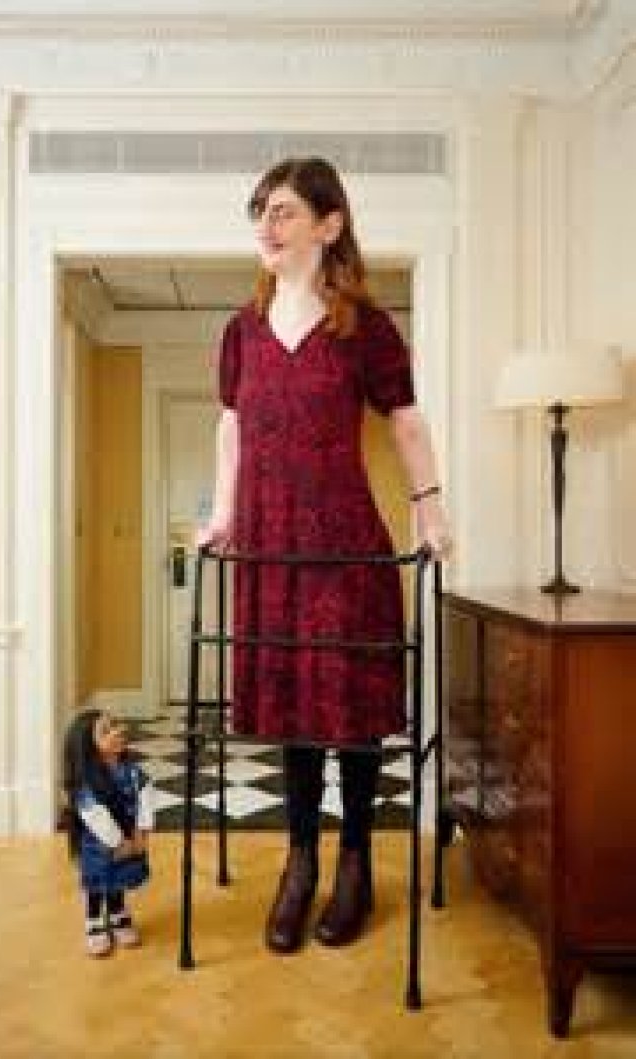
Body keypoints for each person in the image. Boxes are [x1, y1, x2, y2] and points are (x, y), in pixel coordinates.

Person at [197, 156, 452, 954]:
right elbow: (231, 426)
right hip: (271, 546)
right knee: (295, 712)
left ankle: (355, 862)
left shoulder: (364, 327)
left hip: (345, 543)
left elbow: (406, 421)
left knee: (352, 710)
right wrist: (224, 512)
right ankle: (300, 861)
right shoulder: (242, 331)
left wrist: (431, 509)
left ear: (328, 224)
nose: (266, 227)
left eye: (282, 211)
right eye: (261, 214)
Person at [63, 709, 159, 957]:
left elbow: (146, 793)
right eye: (106, 731)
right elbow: (93, 813)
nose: (117, 731)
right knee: (97, 881)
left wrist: (141, 831)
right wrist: (117, 842)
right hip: (100, 842)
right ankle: (94, 920)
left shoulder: (132, 772)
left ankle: (117, 913)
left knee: (119, 879)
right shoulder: (87, 782)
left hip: (129, 835)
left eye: (115, 725)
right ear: (89, 746)